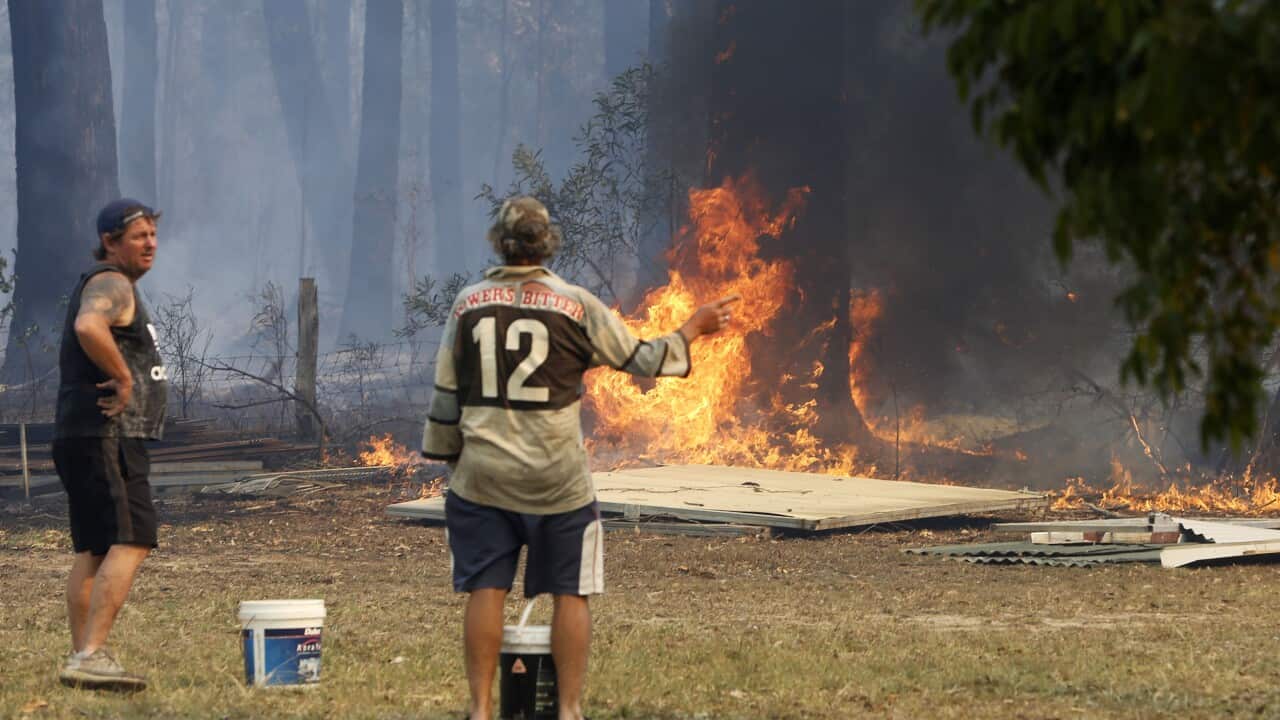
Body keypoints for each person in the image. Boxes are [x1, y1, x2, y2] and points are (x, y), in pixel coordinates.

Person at [422, 196, 738, 720]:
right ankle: (568, 711)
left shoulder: (468, 304)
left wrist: (450, 459)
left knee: (486, 588)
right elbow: (641, 359)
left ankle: (479, 710)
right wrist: (692, 329)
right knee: (571, 592)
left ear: (498, 243)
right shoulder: (576, 305)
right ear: (548, 243)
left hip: (483, 479)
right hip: (558, 481)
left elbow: (446, 391)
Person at [54, 198, 168, 691]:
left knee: (97, 548)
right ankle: (92, 653)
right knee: (134, 537)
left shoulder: (106, 284)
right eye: (139, 236)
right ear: (110, 242)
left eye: (153, 235)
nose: (150, 244)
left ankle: (83, 659)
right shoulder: (111, 283)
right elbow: (88, 326)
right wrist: (124, 377)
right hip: (108, 435)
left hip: (82, 433)